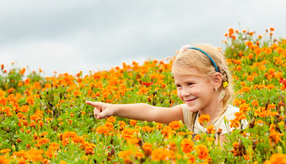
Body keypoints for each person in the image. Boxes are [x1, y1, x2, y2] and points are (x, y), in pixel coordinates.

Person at [86, 44, 244, 145]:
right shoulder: (191, 114)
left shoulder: (232, 119)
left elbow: (219, 158)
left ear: (216, 81)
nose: (184, 93)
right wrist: (114, 109)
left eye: (190, 84)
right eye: (179, 86)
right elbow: (151, 111)